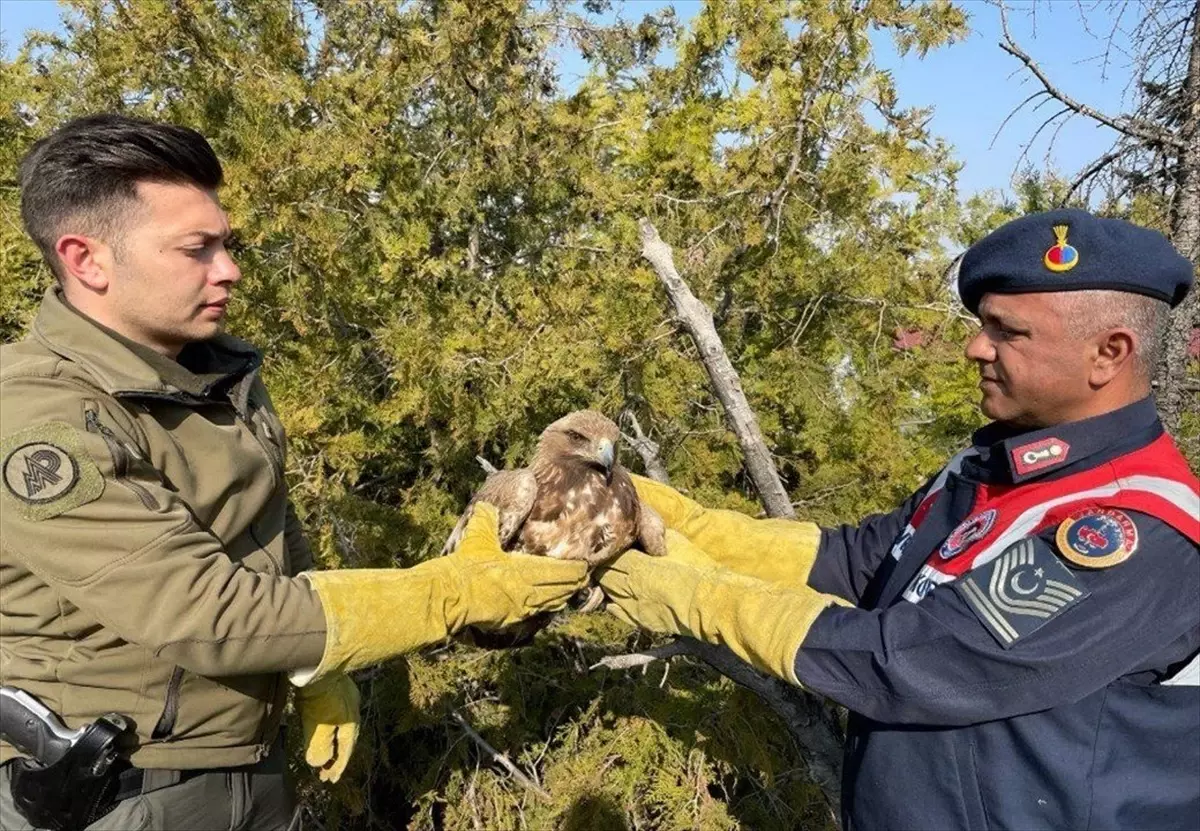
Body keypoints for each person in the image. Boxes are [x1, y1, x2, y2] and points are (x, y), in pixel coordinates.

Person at [0, 114, 589, 831]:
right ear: (86, 259)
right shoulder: (40, 419)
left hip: (249, 771)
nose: (229, 269)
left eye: (226, 244)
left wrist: (315, 668)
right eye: (197, 249)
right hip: (117, 793)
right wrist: (449, 594)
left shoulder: (209, 370)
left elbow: (272, 526)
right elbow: (203, 613)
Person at [600, 209, 1200, 830]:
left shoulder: (1131, 528)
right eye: (981, 323)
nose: (975, 347)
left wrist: (688, 595)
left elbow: (912, 661)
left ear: (1109, 353)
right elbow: (866, 561)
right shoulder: (998, 464)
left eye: (1008, 331)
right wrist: (685, 523)